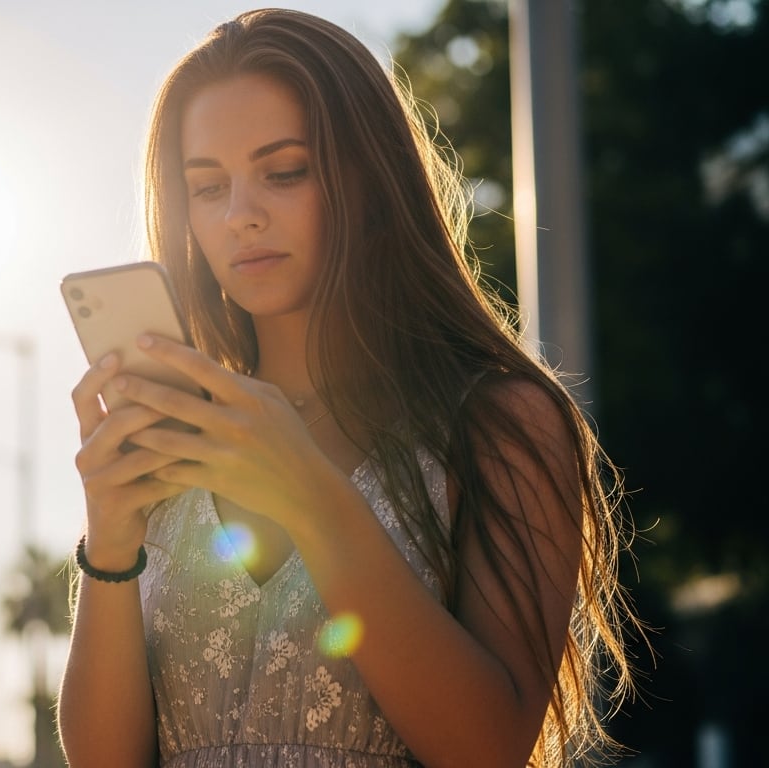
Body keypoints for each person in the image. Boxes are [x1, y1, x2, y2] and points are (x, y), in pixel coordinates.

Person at [56, 8, 640, 768]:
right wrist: (108, 545)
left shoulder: (499, 424)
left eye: (284, 172)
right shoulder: (180, 439)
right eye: (208, 186)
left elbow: (489, 749)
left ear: (369, 179)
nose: (240, 216)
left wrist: (308, 491)